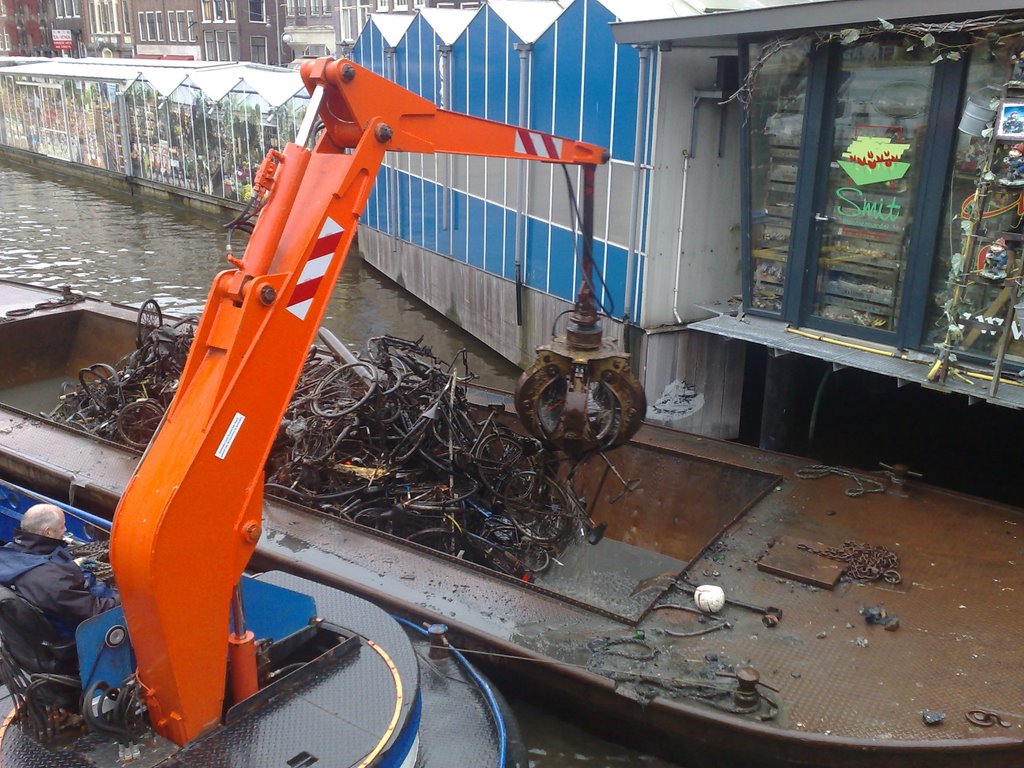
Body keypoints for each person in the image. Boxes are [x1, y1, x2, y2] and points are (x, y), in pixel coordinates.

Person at [0, 504, 118, 637]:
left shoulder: (8, 552)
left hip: (62, 602)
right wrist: (127, 599)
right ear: (48, 532)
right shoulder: (52, 581)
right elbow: (98, 610)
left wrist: (74, 566)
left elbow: (48, 572)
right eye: (62, 526)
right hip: (75, 630)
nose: (66, 529)